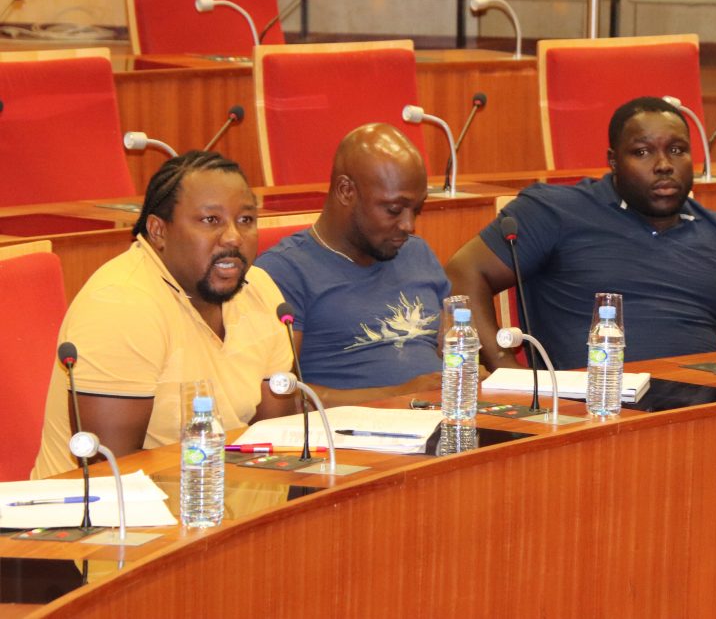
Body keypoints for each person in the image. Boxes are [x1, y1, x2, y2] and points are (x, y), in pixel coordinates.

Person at [445, 96, 716, 369]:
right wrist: (505, 367)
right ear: (614, 161)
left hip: (703, 405)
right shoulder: (556, 211)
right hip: (597, 405)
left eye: (677, 150)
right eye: (642, 152)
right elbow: (464, 271)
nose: (664, 165)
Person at [32, 151, 296, 478]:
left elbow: (273, 440)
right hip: (103, 504)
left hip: (218, 490)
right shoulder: (122, 304)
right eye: (211, 220)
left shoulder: (260, 288)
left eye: (245, 220)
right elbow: (112, 471)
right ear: (158, 230)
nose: (233, 237)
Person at [255, 123, 449, 405]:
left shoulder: (417, 252)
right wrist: (400, 396)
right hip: (352, 429)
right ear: (346, 191)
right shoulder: (284, 272)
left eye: (417, 209)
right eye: (394, 210)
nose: (409, 225)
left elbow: (453, 349)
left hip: (444, 417)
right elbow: (279, 398)